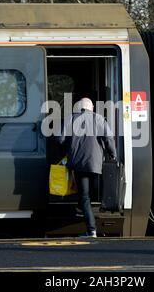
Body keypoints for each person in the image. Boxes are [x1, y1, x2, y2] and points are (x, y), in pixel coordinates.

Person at [57, 97, 117, 238]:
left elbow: (60, 139)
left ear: (79, 108)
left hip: (78, 164)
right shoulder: (99, 119)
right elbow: (108, 138)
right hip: (96, 164)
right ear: (92, 108)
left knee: (84, 196)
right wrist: (113, 155)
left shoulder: (71, 118)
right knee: (90, 194)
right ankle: (84, 211)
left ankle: (91, 230)